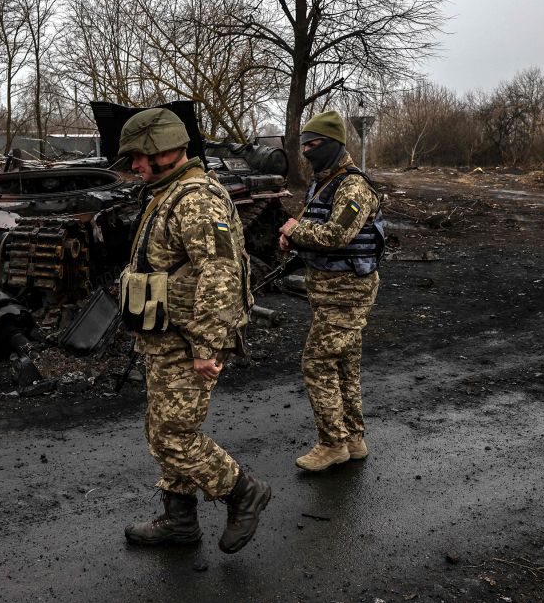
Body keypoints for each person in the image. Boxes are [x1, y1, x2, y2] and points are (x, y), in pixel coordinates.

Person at [118, 107, 272, 554]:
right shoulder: (167, 192)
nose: (135, 166)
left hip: (189, 341)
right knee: (161, 427)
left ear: (164, 150)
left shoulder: (197, 198)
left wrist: (207, 346)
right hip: (166, 336)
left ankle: (243, 492)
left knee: (174, 434)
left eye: (139, 156)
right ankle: (180, 520)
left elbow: (220, 275)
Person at [278, 110, 385, 472]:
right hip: (329, 292)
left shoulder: (352, 186)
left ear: (334, 144)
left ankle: (331, 444)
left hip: (347, 293)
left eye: (313, 144)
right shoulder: (326, 181)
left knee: (317, 362)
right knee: (344, 366)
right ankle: (353, 438)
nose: (307, 151)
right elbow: (316, 226)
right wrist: (294, 238)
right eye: (304, 144)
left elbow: (339, 235)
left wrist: (294, 231)